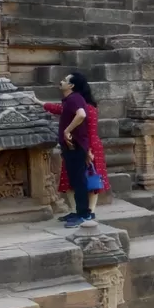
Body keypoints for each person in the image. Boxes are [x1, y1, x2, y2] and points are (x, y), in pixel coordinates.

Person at [38, 86, 109, 215]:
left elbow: (88, 132)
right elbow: (59, 109)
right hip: (83, 145)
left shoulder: (86, 109)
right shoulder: (87, 107)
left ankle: (85, 211)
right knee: (85, 180)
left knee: (88, 180)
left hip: (86, 145)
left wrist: (88, 151)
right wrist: (40, 103)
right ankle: (83, 211)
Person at [53, 71, 97, 227]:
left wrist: (67, 130)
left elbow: (81, 115)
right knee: (75, 180)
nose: (61, 81)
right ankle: (79, 212)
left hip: (76, 146)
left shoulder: (74, 99)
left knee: (79, 181)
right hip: (72, 147)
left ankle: (84, 214)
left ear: (71, 85)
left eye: (65, 80)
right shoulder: (70, 99)